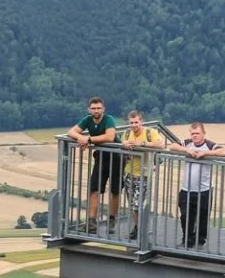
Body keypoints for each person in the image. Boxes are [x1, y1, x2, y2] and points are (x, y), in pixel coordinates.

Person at [67, 97, 119, 233]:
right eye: (93, 108)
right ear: (89, 110)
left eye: (99, 108)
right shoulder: (87, 120)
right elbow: (71, 132)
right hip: (101, 156)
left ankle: (112, 220)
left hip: (117, 156)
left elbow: (110, 137)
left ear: (103, 109)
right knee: (94, 189)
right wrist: (81, 138)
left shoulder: (108, 119)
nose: (96, 111)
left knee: (115, 191)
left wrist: (88, 139)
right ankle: (91, 223)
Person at [172, 123, 225, 249]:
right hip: (186, 189)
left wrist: (205, 153)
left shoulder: (209, 145)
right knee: (185, 216)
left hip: (204, 190)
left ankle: (200, 241)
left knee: (203, 216)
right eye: (192, 133)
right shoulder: (187, 143)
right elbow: (172, 146)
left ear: (203, 134)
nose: (195, 136)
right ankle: (187, 240)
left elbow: (223, 152)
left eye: (197, 133)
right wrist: (187, 150)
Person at [119, 110, 165, 240]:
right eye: (131, 123)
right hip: (128, 173)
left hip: (143, 174)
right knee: (132, 204)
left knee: (137, 204)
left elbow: (161, 145)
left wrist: (142, 144)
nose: (134, 125)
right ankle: (137, 228)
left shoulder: (150, 133)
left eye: (136, 122)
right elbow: (120, 145)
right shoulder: (126, 134)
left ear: (141, 122)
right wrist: (124, 145)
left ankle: (140, 229)